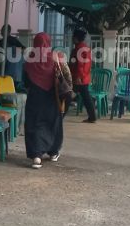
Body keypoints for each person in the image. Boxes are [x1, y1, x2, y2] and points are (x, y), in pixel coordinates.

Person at [24, 33, 63, 169]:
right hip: (52, 98)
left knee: (34, 124)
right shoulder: (55, 58)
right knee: (53, 123)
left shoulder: (30, 60)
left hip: (35, 98)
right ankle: (53, 152)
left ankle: (36, 156)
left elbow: (25, 82)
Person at [69, 29, 97, 123]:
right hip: (83, 77)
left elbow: (80, 65)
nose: (72, 38)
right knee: (86, 97)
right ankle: (92, 117)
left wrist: (78, 77)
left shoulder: (79, 49)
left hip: (79, 78)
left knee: (68, 95)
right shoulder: (84, 48)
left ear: (76, 38)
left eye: (73, 37)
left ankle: (59, 115)